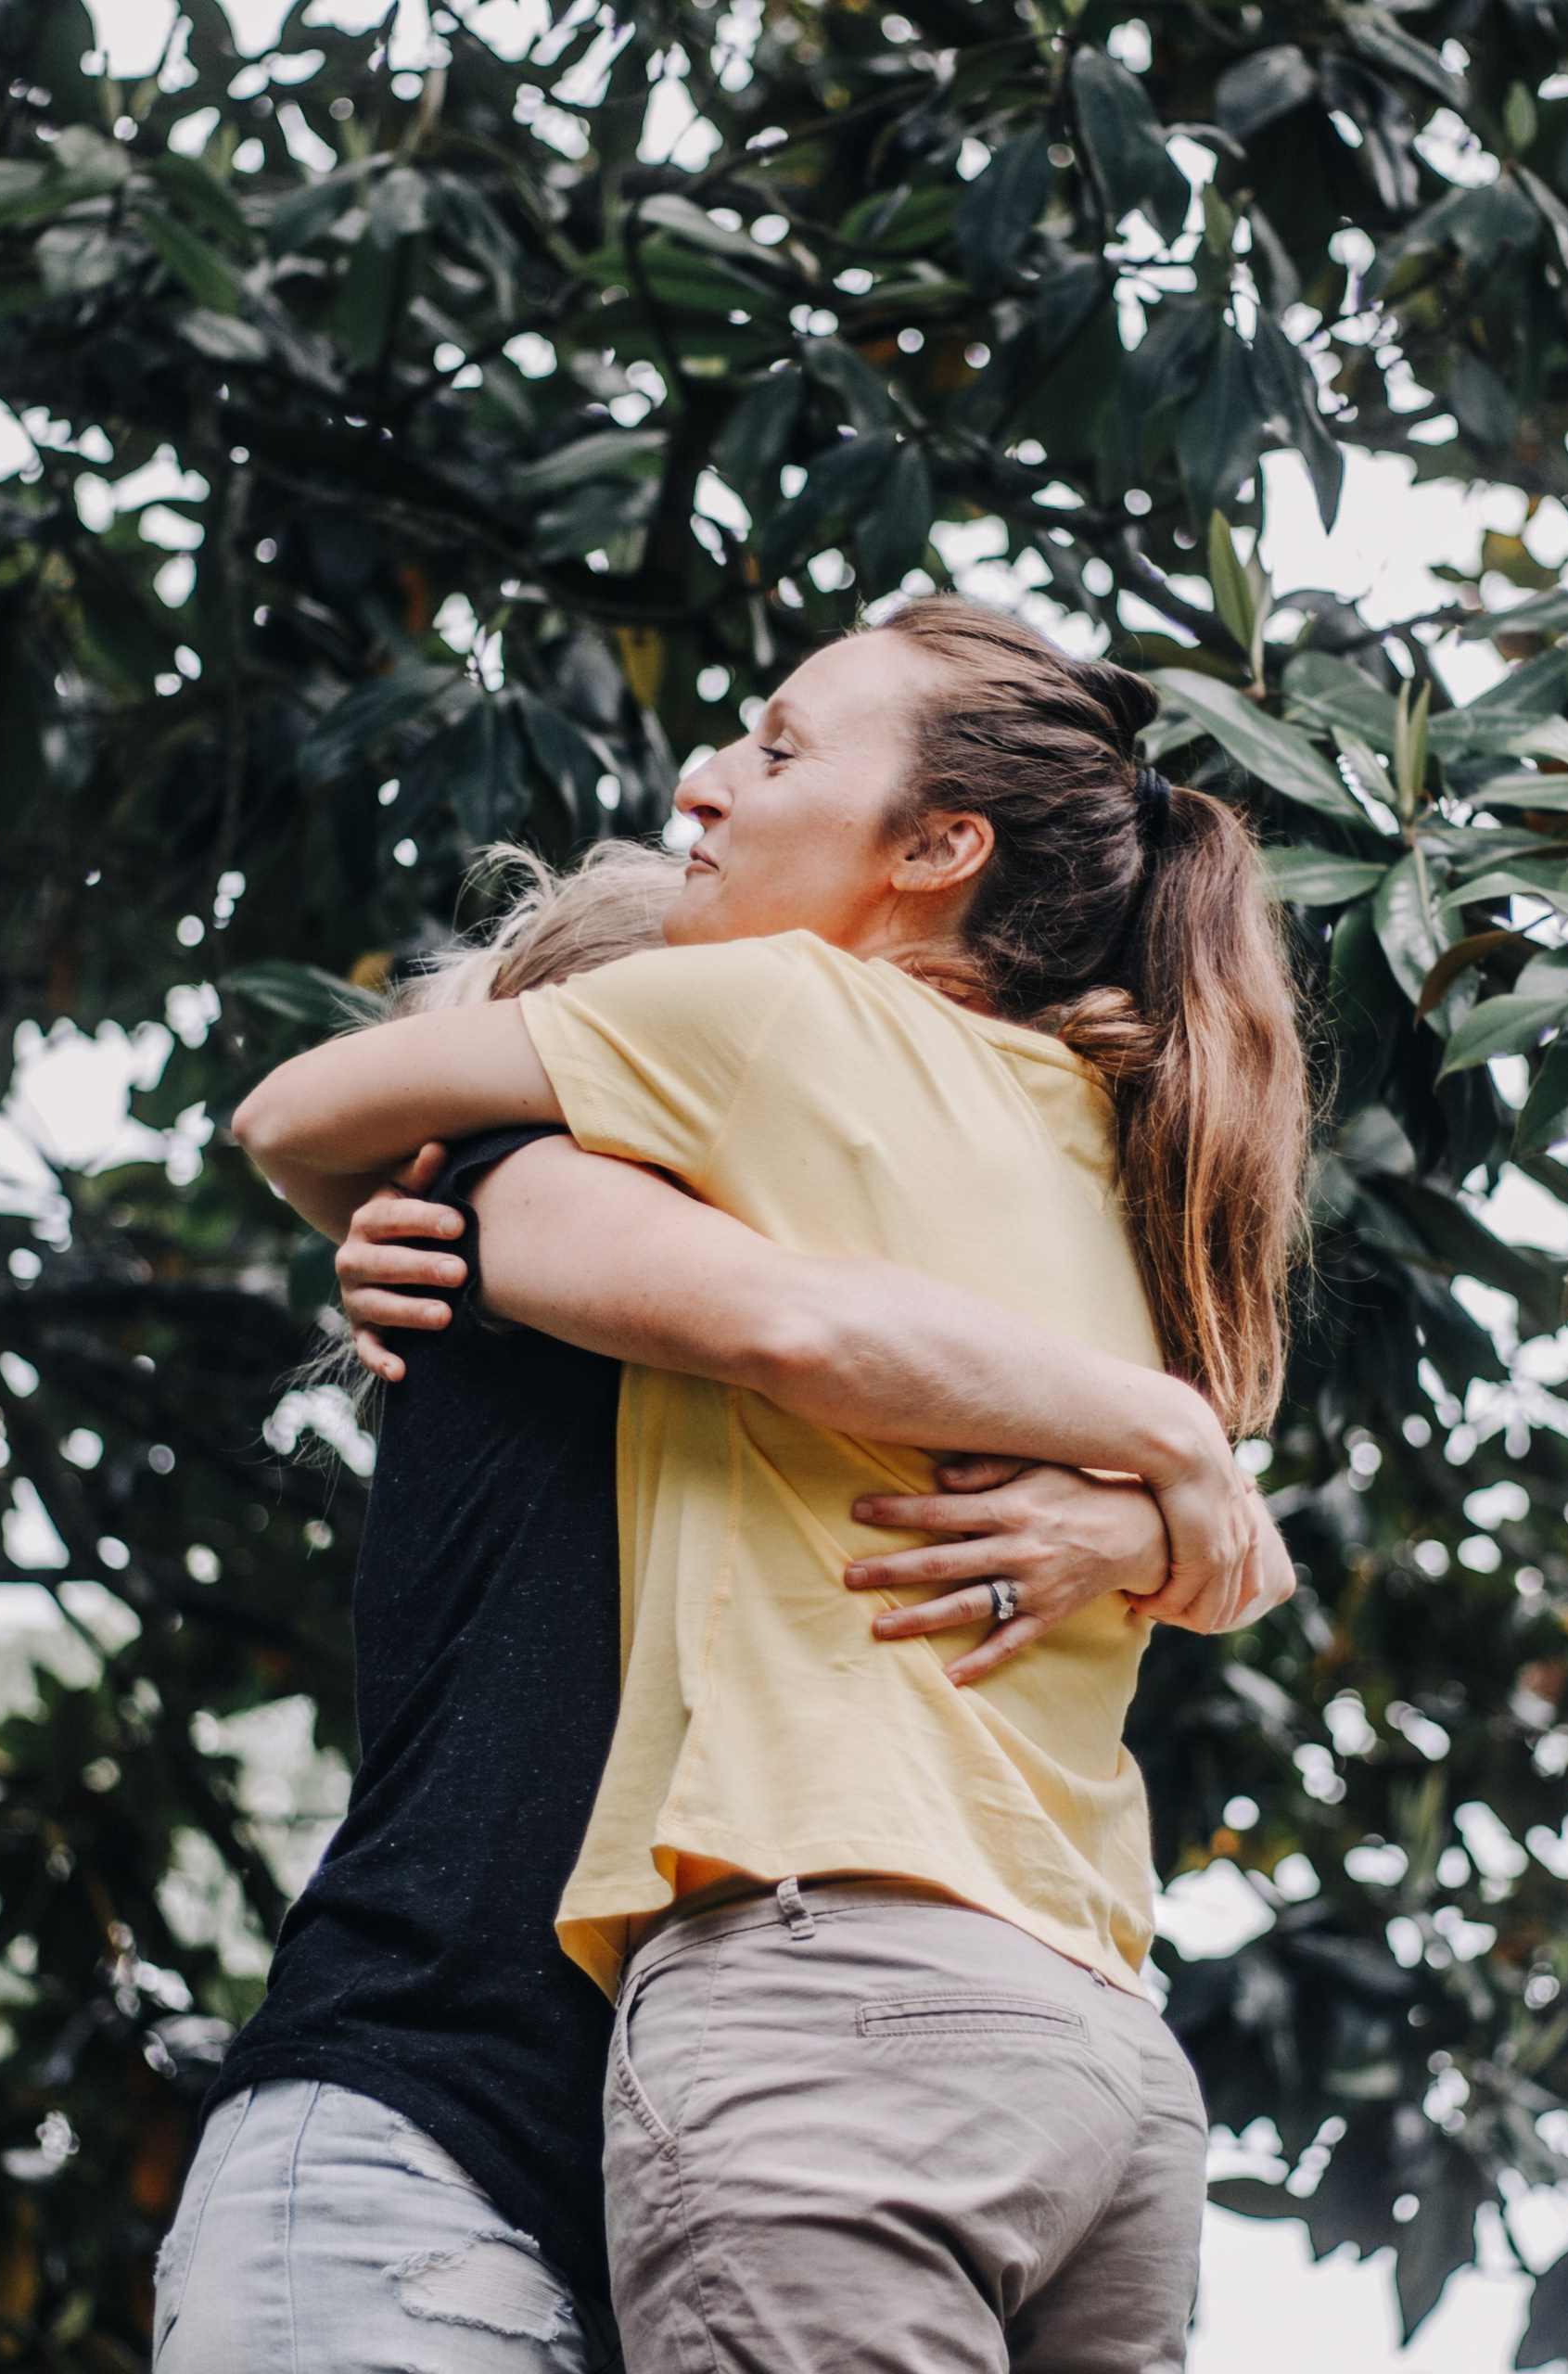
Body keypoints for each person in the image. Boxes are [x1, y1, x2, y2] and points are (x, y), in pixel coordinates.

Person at [159, 817, 1298, 2371]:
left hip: (705, 2155)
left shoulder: (889, 1334)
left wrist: (1143, 1526)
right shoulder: (524, 1193)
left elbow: (1248, 1554)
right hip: (427, 2124)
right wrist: (1168, 1452)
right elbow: (786, 1320)